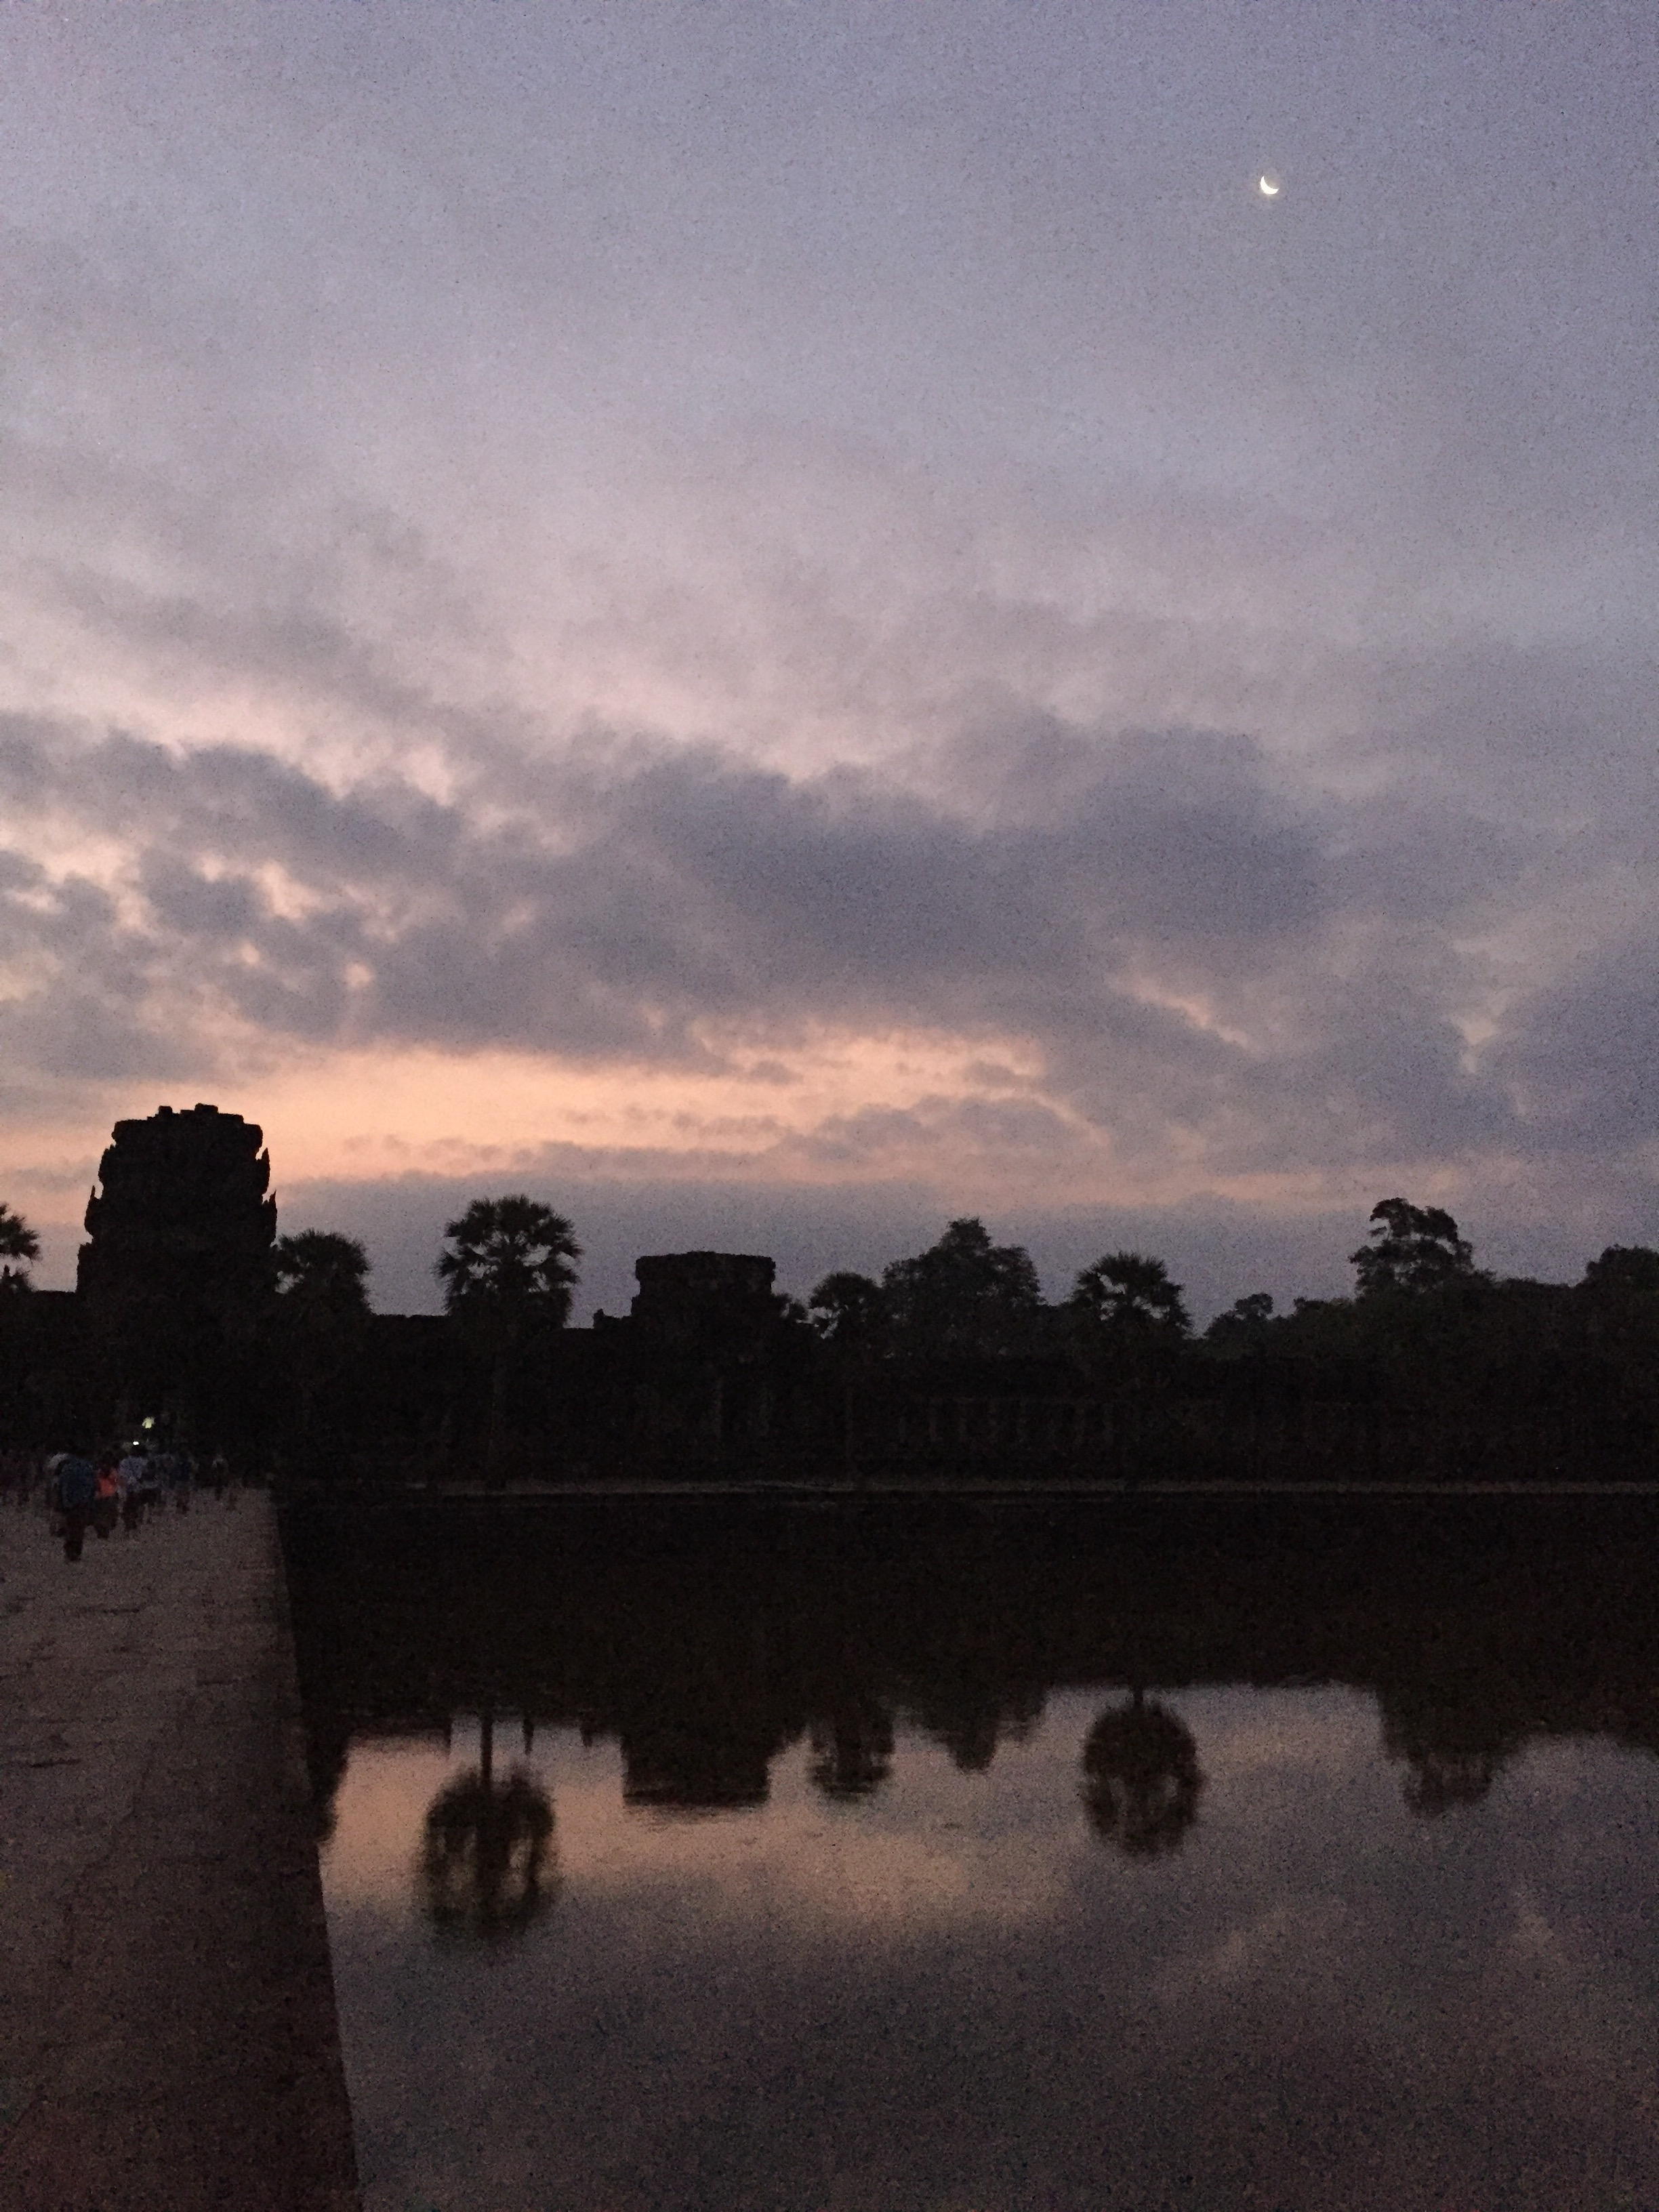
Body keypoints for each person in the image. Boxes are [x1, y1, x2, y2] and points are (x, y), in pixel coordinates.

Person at [53, 1448, 98, 1561]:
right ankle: (76, 1551)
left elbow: (62, 1486)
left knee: (71, 1528)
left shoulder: (67, 1468)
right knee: (80, 1529)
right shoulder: (89, 1468)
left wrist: (61, 1502)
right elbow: (94, 1486)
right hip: (84, 1503)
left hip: (70, 1503)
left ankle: (70, 1552)